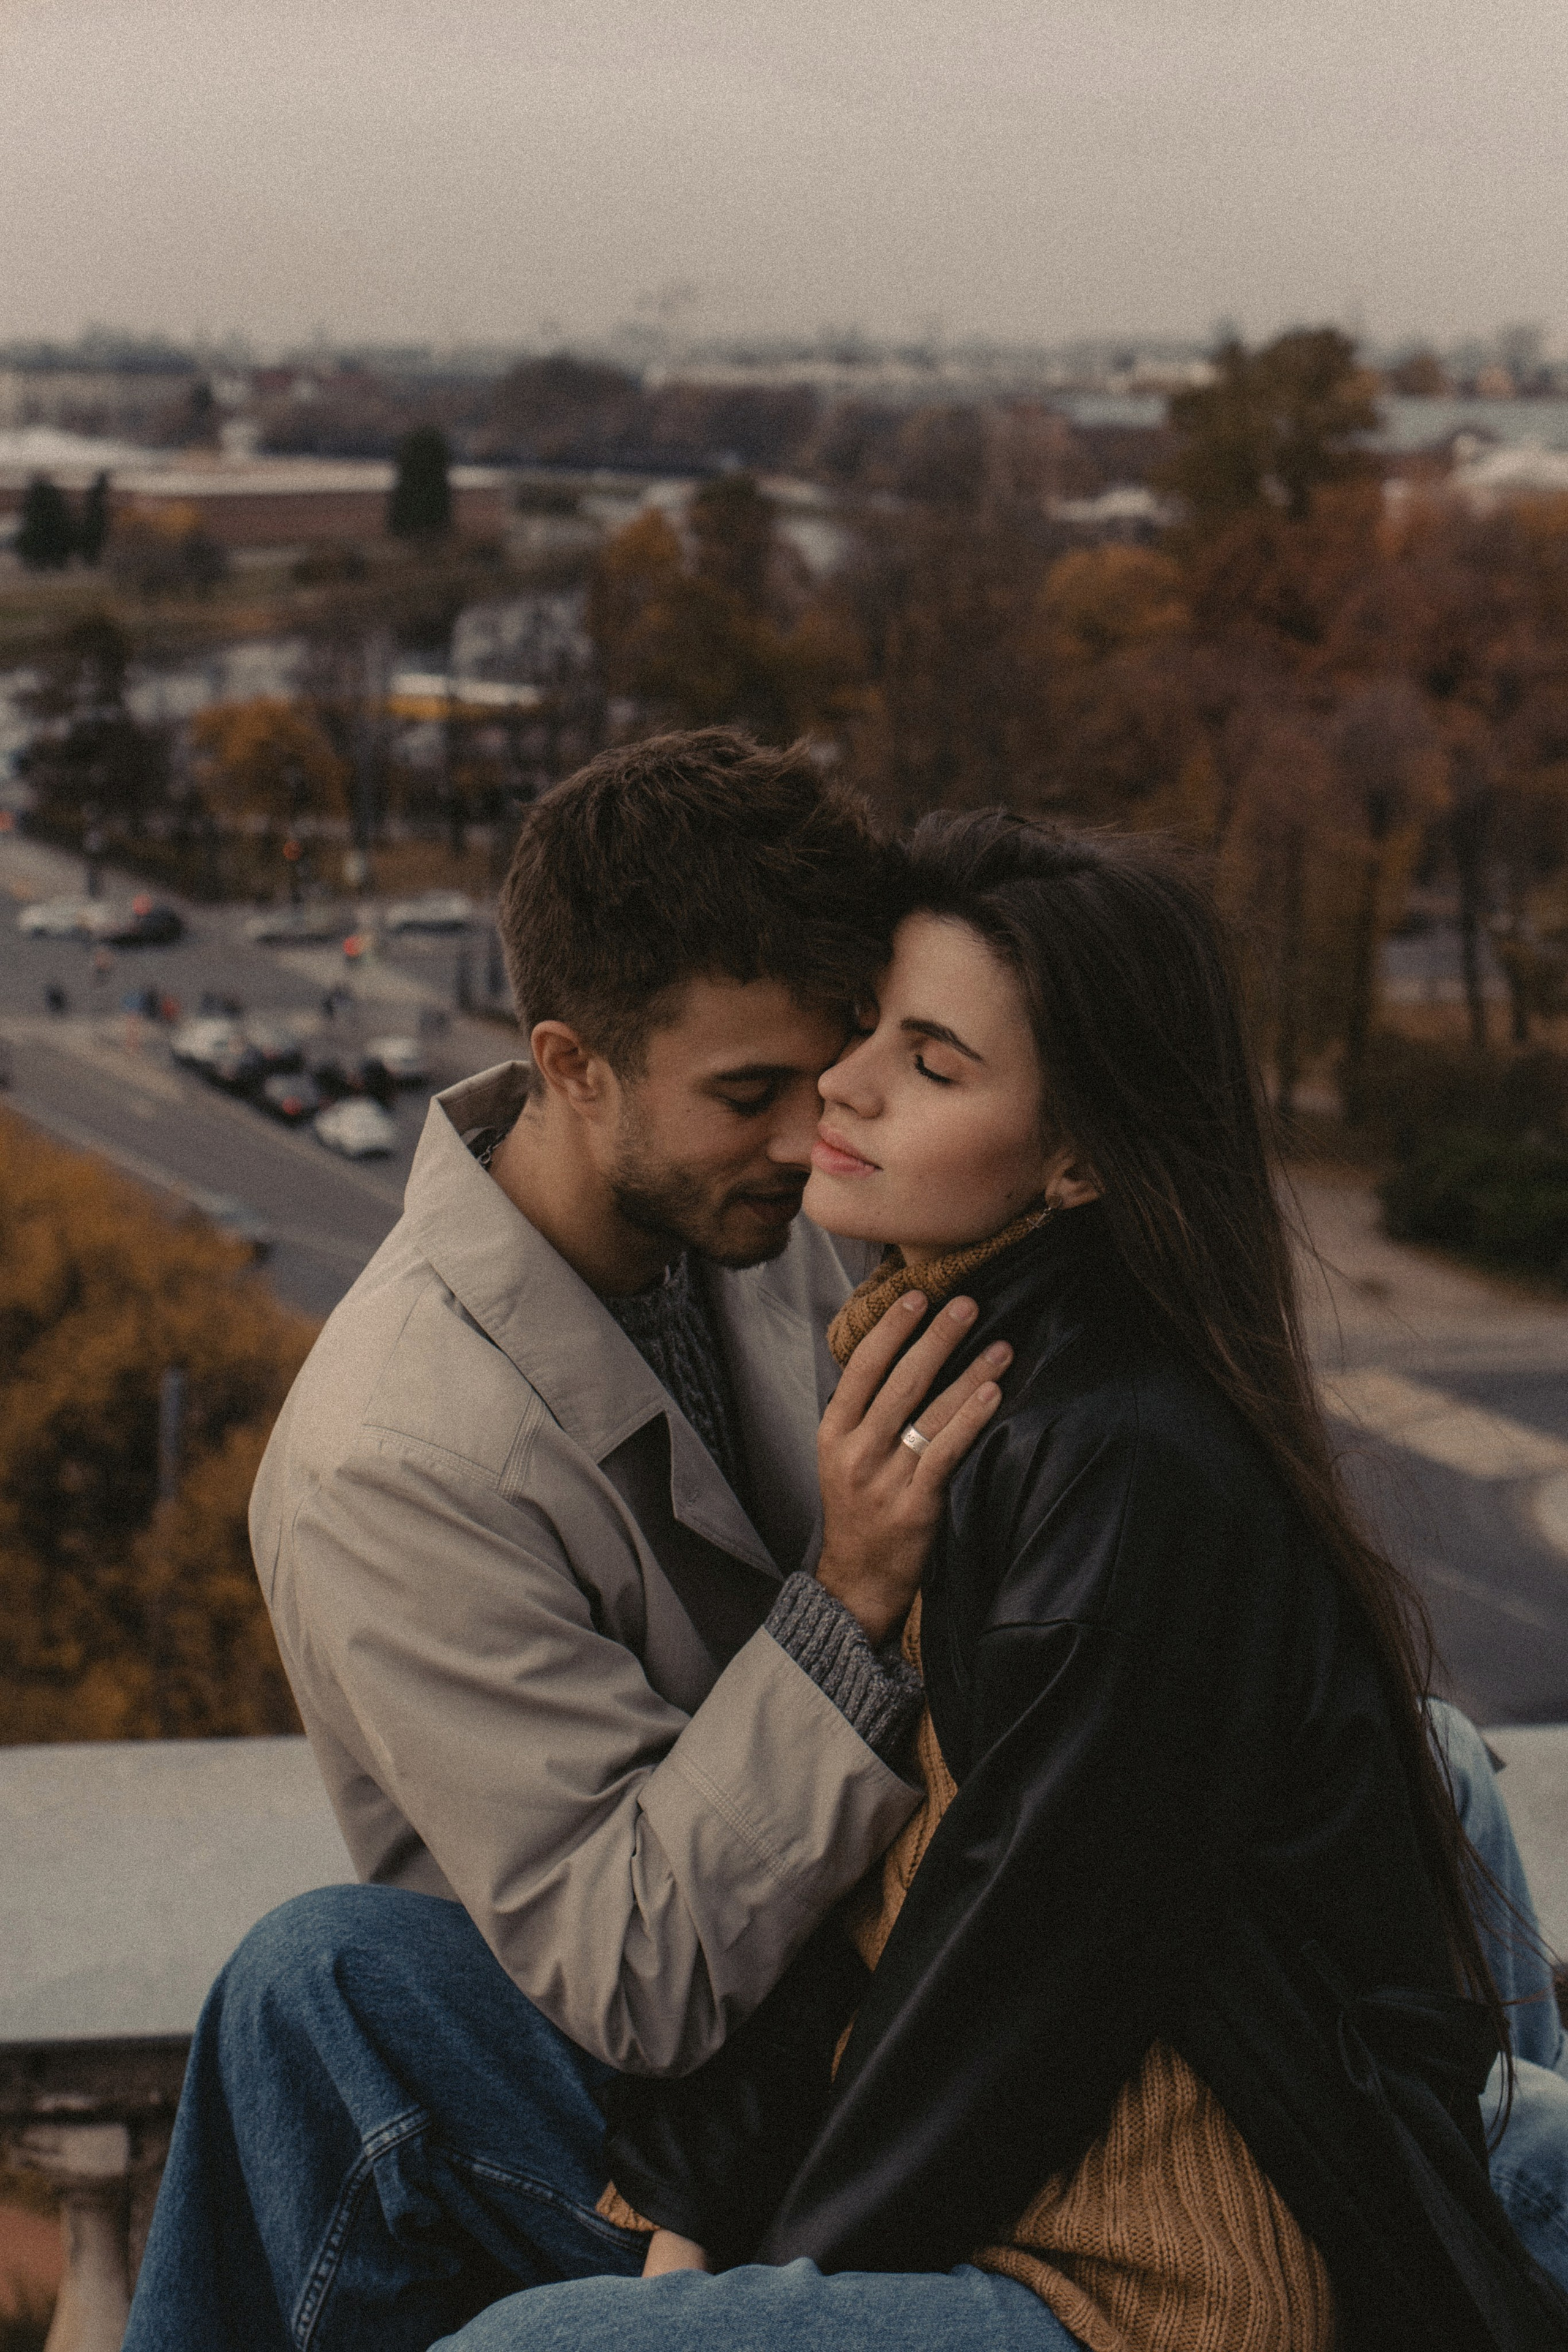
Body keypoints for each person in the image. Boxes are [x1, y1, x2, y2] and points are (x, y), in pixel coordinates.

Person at [434, 814, 1568, 2352]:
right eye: (867, 1033)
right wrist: (688, 2202)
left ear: (1079, 1156)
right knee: (342, 2002)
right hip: (1033, 2202)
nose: (843, 1088)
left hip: (1163, 2278)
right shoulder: (950, 1388)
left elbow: (1000, 1973)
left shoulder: (1117, 1464)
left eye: (933, 1064)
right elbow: (868, 1888)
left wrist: (766, 2271)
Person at [123, 733, 1003, 2352]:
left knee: (1423, 1763)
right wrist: (852, 1595)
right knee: (315, 1978)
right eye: (750, 1095)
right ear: (573, 1061)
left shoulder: (756, 1216)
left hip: (899, 1984)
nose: (814, 1141)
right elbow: (634, 1970)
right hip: (626, 2110)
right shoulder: (387, 1456)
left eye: (829, 1075)